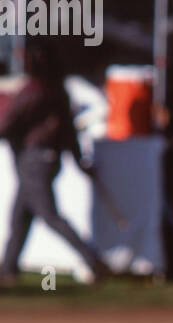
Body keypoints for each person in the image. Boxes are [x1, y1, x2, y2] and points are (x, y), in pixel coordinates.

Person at [0, 40, 109, 286]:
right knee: (20, 216)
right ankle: (8, 269)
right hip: (45, 161)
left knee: (48, 215)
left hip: (34, 162)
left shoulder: (34, 91)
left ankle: (92, 260)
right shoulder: (58, 91)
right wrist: (80, 161)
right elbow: (69, 134)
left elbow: (8, 124)